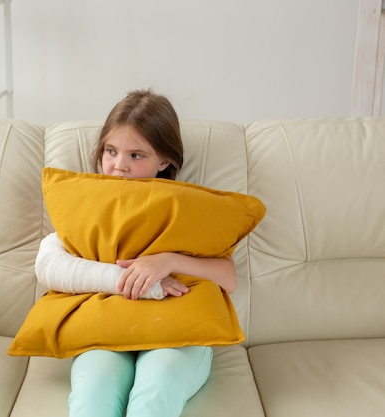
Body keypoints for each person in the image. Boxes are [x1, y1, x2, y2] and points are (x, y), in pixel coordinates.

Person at [35, 89, 237, 417]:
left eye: (136, 155)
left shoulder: (185, 209)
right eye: (111, 151)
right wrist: (125, 280)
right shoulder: (85, 208)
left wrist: (167, 261)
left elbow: (228, 277)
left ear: (165, 160)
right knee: (93, 392)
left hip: (175, 333)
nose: (119, 166)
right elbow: (49, 264)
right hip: (106, 327)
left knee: (156, 388)